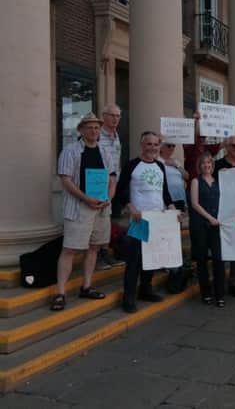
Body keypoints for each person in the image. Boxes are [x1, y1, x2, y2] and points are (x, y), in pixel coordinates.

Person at [52, 113, 116, 311]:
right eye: (89, 127)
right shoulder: (70, 151)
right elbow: (66, 179)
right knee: (70, 249)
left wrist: (109, 197)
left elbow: (113, 177)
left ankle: (86, 286)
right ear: (81, 130)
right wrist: (85, 198)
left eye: (97, 128)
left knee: (94, 247)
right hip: (80, 207)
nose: (94, 131)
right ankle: (60, 292)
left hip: (102, 208)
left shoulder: (105, 151)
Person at [115, 131, 182, 313]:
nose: (152, 147)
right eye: (148, 144)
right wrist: (131, 208)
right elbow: (121, 190)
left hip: (158, 219)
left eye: (155, 144)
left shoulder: (160, 166)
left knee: (152, 259)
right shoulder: (132, 166)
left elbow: (165, 192)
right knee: (134, 260)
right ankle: (128, 297)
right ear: (142, 145)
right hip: (140, 220)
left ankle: (146, 289)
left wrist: (171, 207)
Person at [213, 136, 235, 296]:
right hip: (220, 212)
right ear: (226, 147)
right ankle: (219, 281)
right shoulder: (217, 165)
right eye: (233, 145)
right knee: (220, 247)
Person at [189, 152, 225, 307]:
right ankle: (206, 293)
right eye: (203, 163)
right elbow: (195, 204)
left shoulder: (217, 181)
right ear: (200, 165)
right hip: (200, 224)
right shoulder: (195, 181)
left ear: (212, 165)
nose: (206, 166)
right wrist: (210, 218)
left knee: (218, 259)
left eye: (209, 163)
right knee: (202, 259)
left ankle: (220, 295)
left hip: (216, 225)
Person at [96, 103, 123, 270]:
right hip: (98, 183)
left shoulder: (116, 135)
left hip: (114, 183)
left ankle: (105, 252)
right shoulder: (97, 135)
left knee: (107, 220)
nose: (115, 119)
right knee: (98, 220)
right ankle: (98, 254)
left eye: (118, 116)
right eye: (112, 115)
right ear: (103, 116)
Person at [183, 111, 222, 181]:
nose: (201, 139)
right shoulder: (191, 147)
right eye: (199, 137)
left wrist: (234, 126)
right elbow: (190, 136)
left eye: (203, 137)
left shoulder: (208, 148)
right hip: (192, 183)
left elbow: (225, 143)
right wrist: (195, 122)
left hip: (206, 183)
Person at [159, 141, 189, 212]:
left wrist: (176, 165)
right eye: (169, 145)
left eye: (173, 146)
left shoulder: (176, 161)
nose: (172, 148)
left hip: (179, 197)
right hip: (166, 198)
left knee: (179, 221)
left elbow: (186, 176)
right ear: (161, 147)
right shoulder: (158, 160)